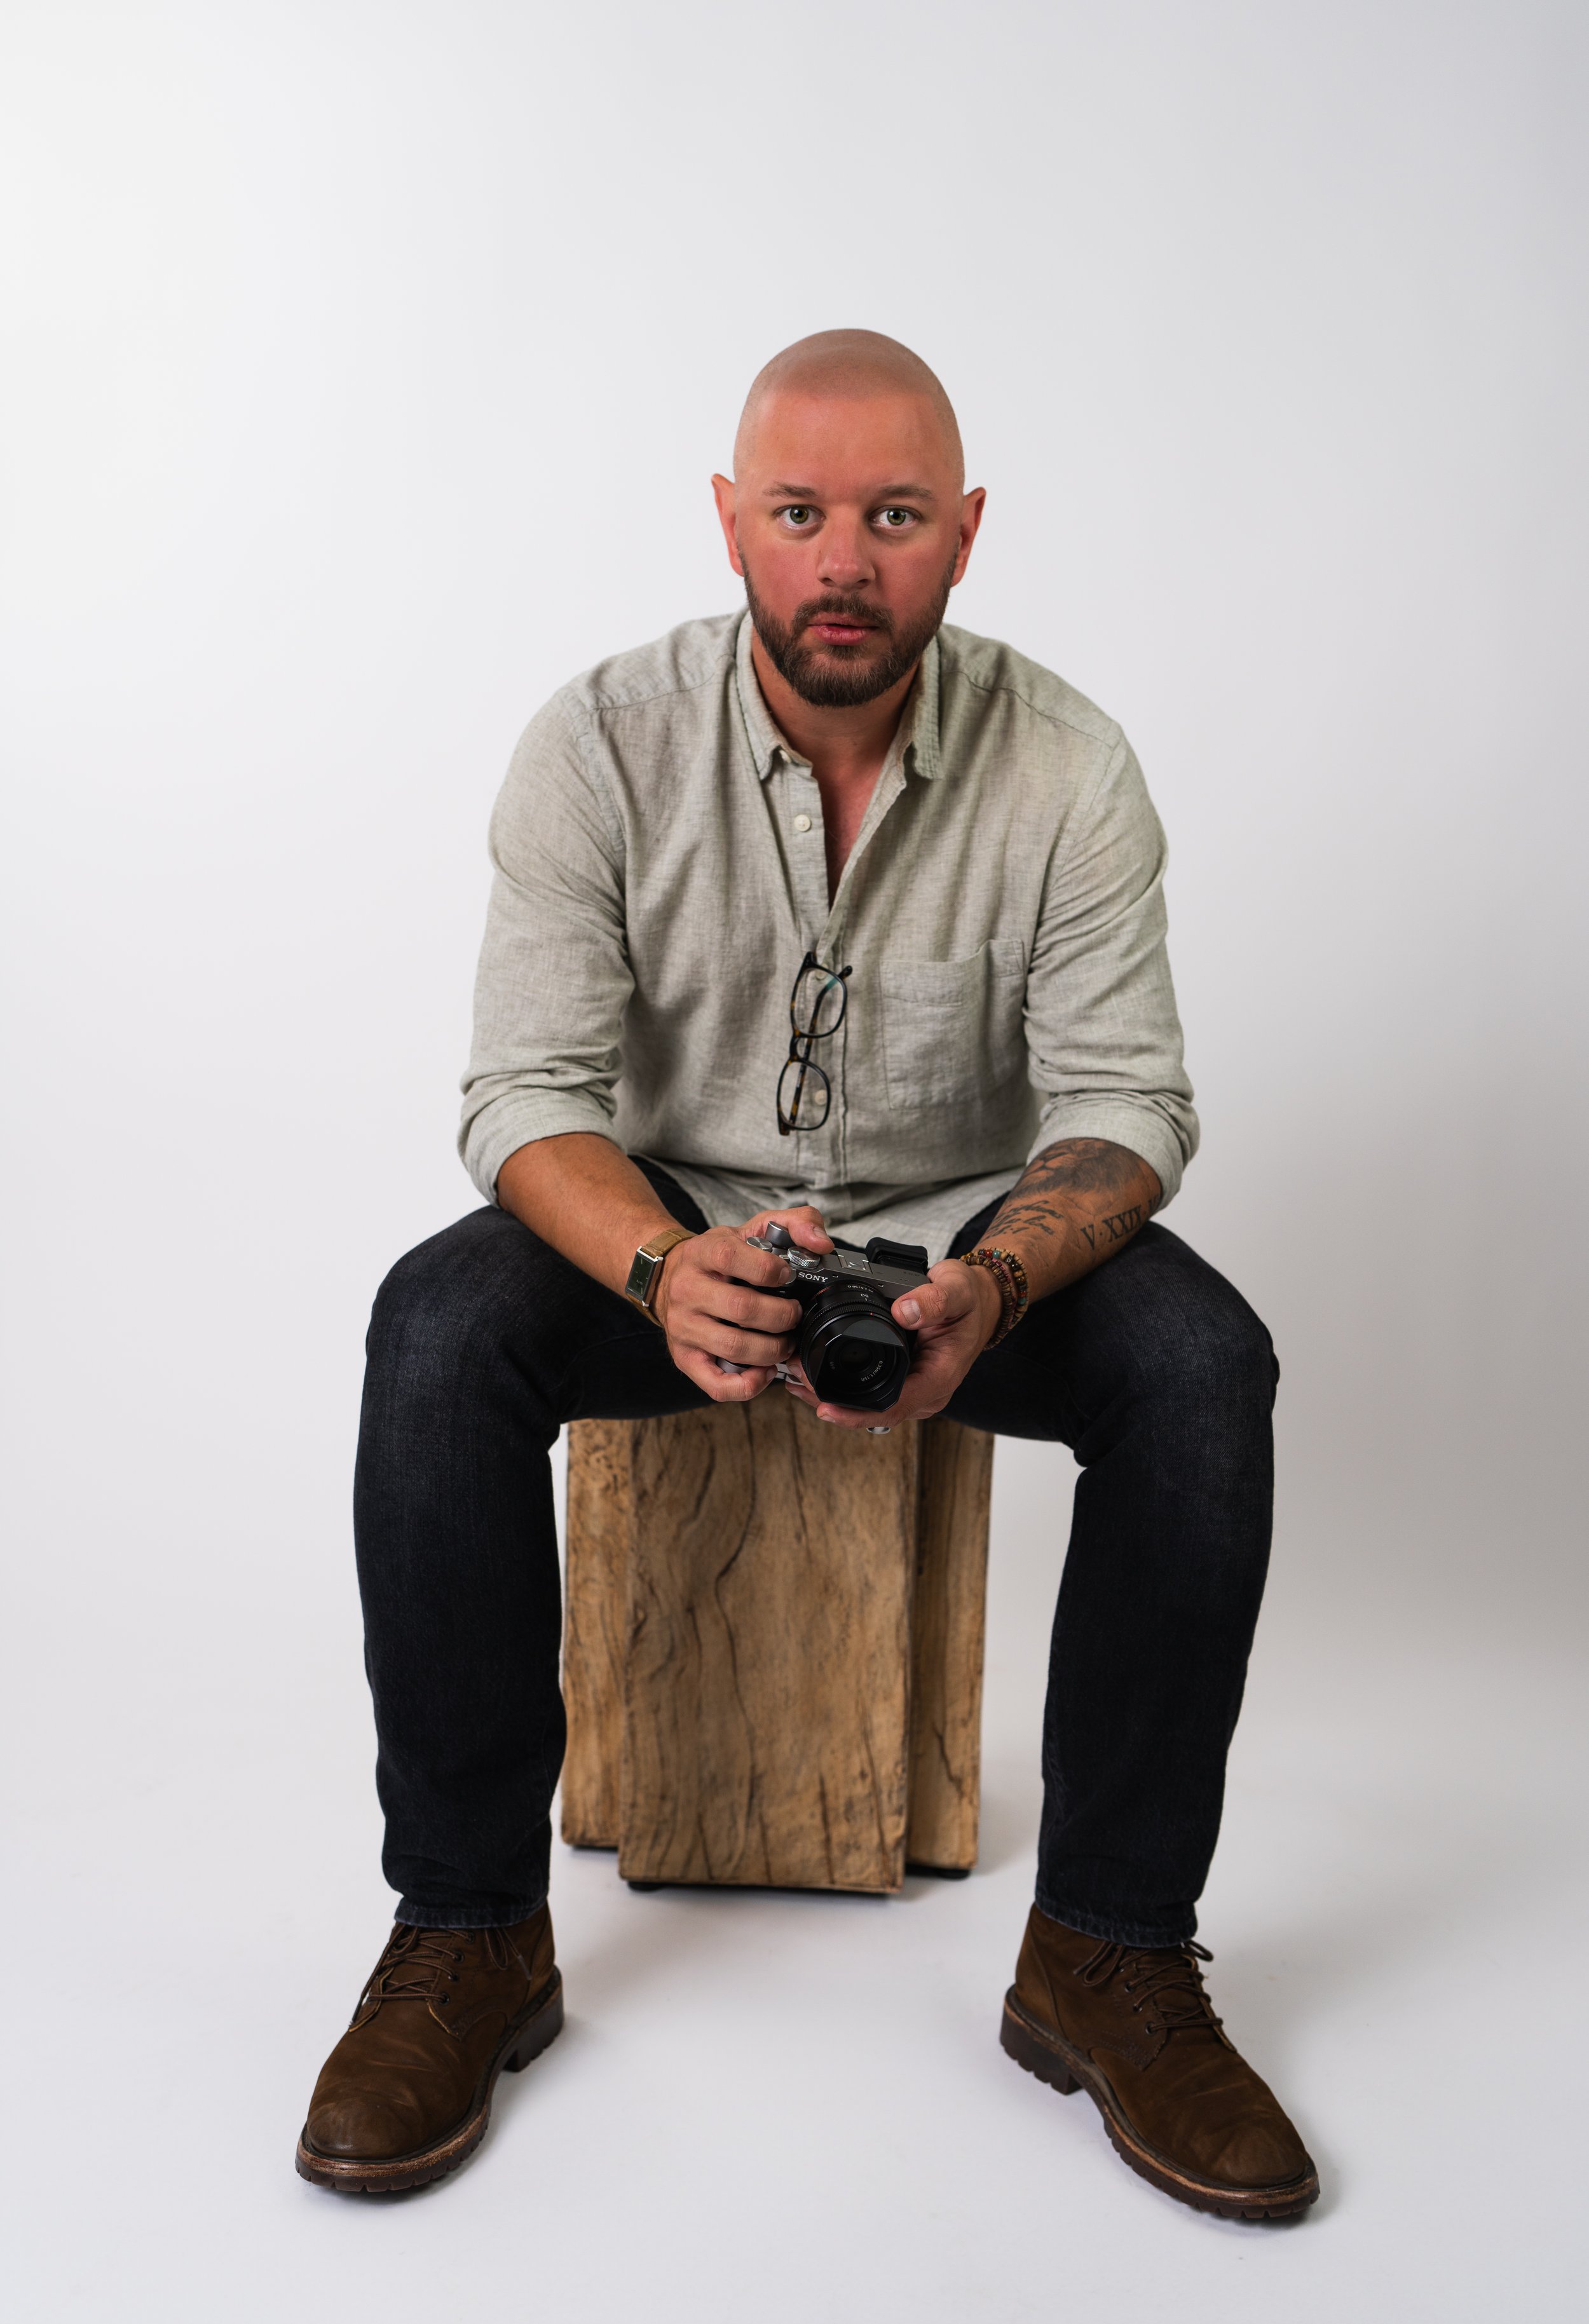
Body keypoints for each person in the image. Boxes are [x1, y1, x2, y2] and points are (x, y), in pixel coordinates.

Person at [296, 330, 1317, 2221]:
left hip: (959, 1239)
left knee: (1201, 1366)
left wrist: (990, 1289)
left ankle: (1106, 1951)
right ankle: (464, 1928)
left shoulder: (1071, 763)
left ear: (963, 535)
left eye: (892, 514)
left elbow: (1123, 1104)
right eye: (797, 511)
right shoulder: (596, 739)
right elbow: (521, 1089)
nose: (841, 559)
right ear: (729, 522)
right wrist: (665, 1262)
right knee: (433, 1331)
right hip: (664, 1216)